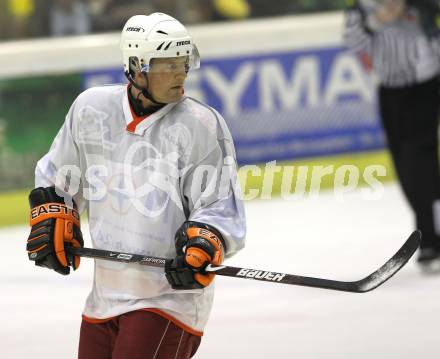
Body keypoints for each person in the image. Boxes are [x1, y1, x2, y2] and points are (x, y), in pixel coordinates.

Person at [26, 12, 246, 358]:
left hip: (169, 300)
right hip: (105, 298)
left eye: (183, 63)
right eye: (168, 65)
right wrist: (54, 214)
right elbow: (58, 177)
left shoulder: (201, 124)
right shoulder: (91, 109)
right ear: (136, 67)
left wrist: (205, 240)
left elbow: (220, 206)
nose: (181, 73)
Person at [344, 0, 440, 270]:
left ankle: (429, 239)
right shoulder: (361, 8)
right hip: (390, 91)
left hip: (425, 87)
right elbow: (352, 41)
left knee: (419, 158)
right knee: (405, 166)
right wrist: (380, 18)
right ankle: (432, 227)